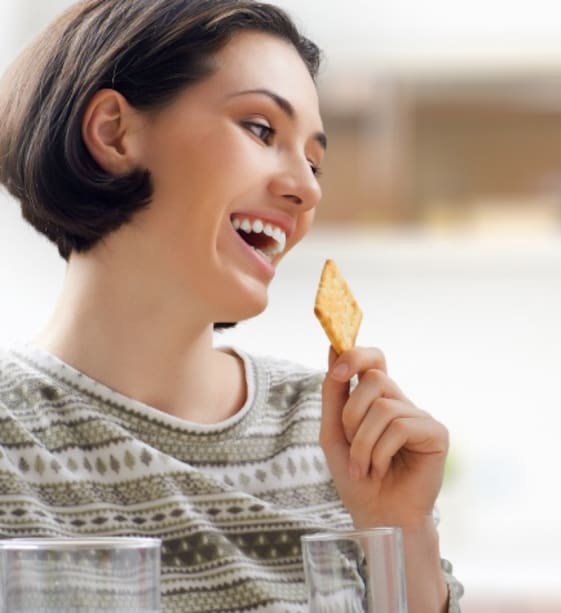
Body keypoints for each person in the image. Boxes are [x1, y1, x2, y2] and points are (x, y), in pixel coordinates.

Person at [0, 1, 462, 611]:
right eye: (262, 129)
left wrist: (400, 530)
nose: (307, 187)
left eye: (315, 160)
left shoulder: (334, 438)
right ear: (114, 132)